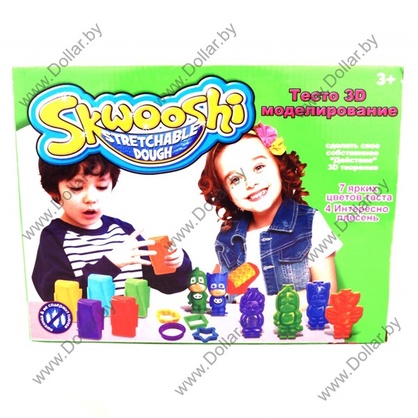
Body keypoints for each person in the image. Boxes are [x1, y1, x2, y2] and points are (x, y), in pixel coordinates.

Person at [198, 122, 342, 302]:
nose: (250, 183)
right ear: (226, 192)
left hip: (291, 320)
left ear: (278, 165)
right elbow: (218, 289)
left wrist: (269, 305)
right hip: (240, 321)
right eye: (235, 179)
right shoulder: (227, 236)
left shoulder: (310, 222)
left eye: (258, 167)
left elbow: (326, 294)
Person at [32, 154, 192, 301]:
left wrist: (176, 263)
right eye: (76, 187)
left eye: (101, 187)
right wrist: (109, 265)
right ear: (54, 191)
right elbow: (55, 298)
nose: (91, 198)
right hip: (86, 323)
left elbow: (170, 285)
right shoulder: (54, 238)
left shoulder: (124, 232)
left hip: (132, 321)